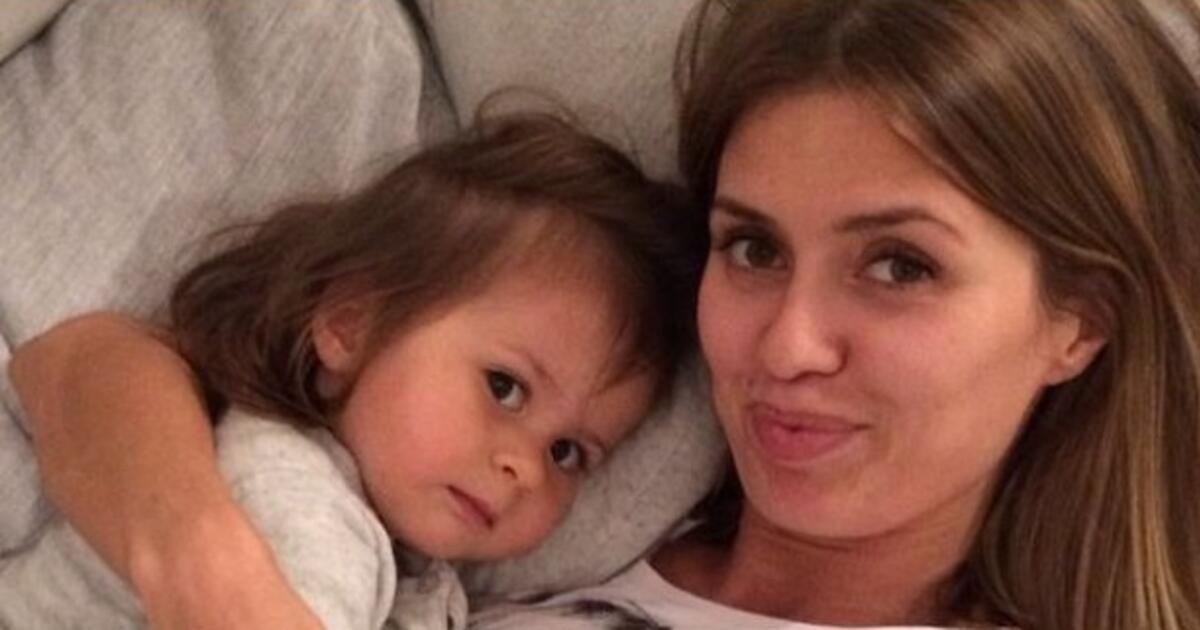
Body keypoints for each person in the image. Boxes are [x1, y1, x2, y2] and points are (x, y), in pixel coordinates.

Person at [11, 0, 1200, 628]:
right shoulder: (604, 506)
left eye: (899, 266)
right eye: (752, 248)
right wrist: (212, 573)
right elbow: (84, 359)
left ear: (1077, 322)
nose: (786, 345)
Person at [1, 112, 700, 629]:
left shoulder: (394, 552)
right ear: (349, 324)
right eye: (504, 387)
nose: (527, 469)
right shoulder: (305, 509)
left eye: (568, 452)